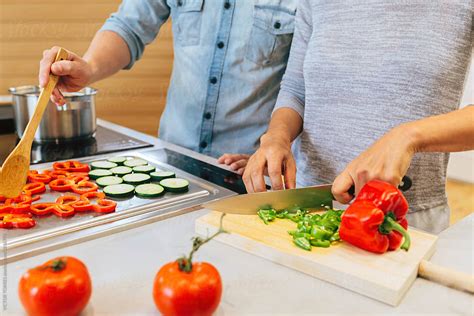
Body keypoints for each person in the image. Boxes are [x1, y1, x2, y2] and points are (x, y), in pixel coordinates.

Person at [241, 0, 473, 233]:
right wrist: (277, 137)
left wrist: (408, 137)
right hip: (305, 206)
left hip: (399, 221)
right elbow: (295, 90)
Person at [38, 0, 298, 173]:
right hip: (173, 159)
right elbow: (129, 26)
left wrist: (274, 147)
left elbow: (306, 82)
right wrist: (90, 67)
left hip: (251, 170)